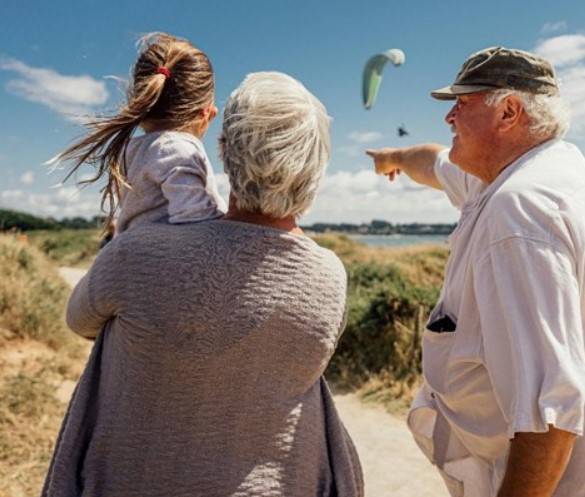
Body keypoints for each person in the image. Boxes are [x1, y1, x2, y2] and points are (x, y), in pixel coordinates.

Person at [42, 71, 363, 497]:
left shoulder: (137, 253)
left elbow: (79, 320)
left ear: (224, 151)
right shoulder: (330, 275)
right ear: (316, 165)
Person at [366, 46, 585, 497]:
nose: (449, 118)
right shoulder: (536, 170)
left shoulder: (521, 210)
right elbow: (435, 163)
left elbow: (549, 416)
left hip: (577, 487)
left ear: (508, 112)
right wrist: (394, 156)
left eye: (462, 104)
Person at [50, 32, 226, 236]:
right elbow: (196, 221)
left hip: (131, 253)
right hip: (163, 262)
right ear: (207, 112)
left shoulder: (129, 150)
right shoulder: (178, 149)